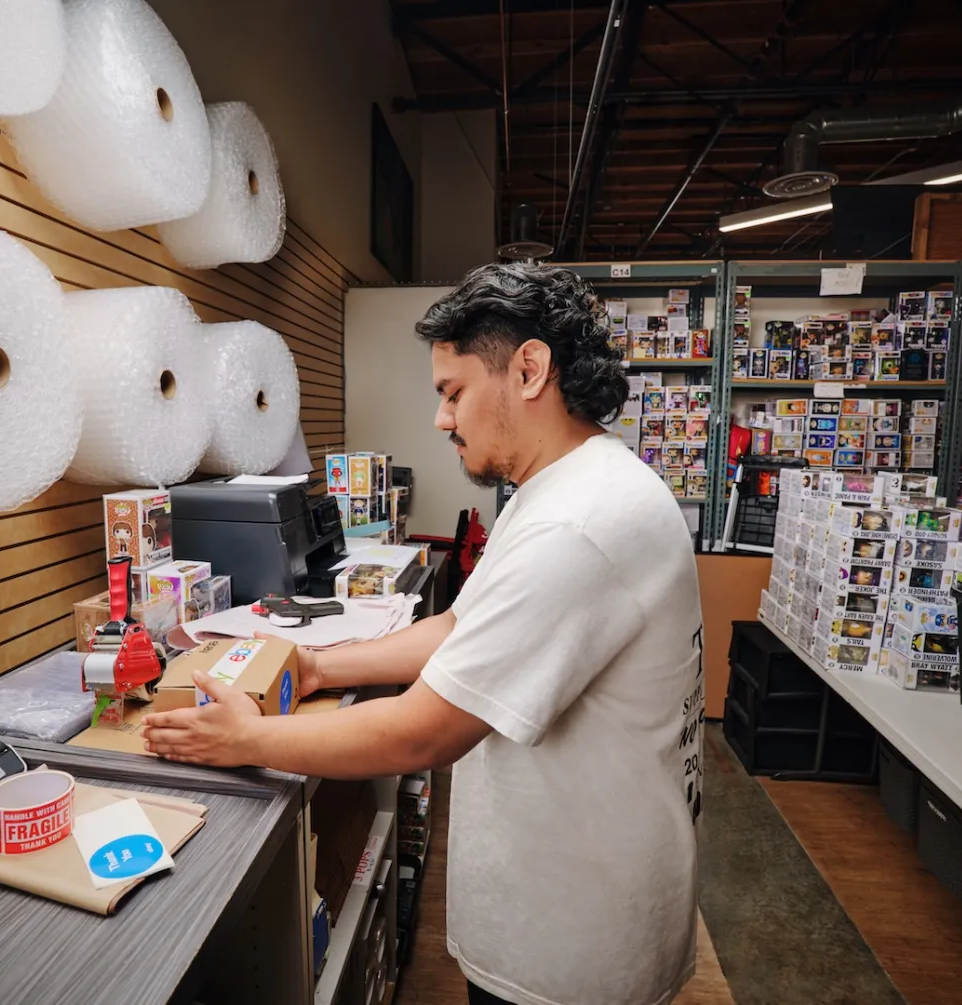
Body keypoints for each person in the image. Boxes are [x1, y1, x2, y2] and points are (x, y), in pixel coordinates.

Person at [142, 263, 705, 1005]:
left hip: (573, 944)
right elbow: (457, 626)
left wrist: (247, 741)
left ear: (529, 369)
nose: (442, 419)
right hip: (577, 890)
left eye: (453, 391)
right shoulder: (565, 487)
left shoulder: (578, 523)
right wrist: (315, 667)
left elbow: (422, 733)